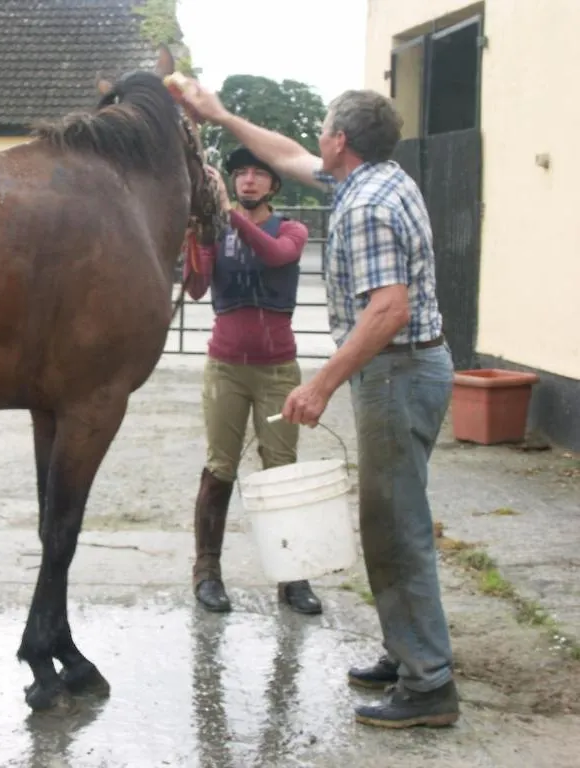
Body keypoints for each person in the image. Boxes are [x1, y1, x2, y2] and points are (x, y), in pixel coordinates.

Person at [178, 82, 460, 729]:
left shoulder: (362, 207)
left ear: (339, 141)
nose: (312, 145)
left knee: (395, 525)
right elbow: (284, 153)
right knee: (390, 516)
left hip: (397, 372)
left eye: (323, 132)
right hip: (405, 369)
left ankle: (428, 685)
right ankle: (407, 652)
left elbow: (390, 309)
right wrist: (218, 114)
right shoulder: (379, 180)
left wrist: (321, 383)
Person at [184, 148, 322, 617]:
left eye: (258, 174)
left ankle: (292, 577)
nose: (247, 181)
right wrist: (199, 237)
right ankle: (207, 573)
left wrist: (226, 217)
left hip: (277, 372)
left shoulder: (291, 229)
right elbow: (197, 287)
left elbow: (276, 255)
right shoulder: (217, 229)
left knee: (281, 471)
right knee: (220, 466)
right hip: (225, 368)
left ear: (273, 186)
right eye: (240, 173)